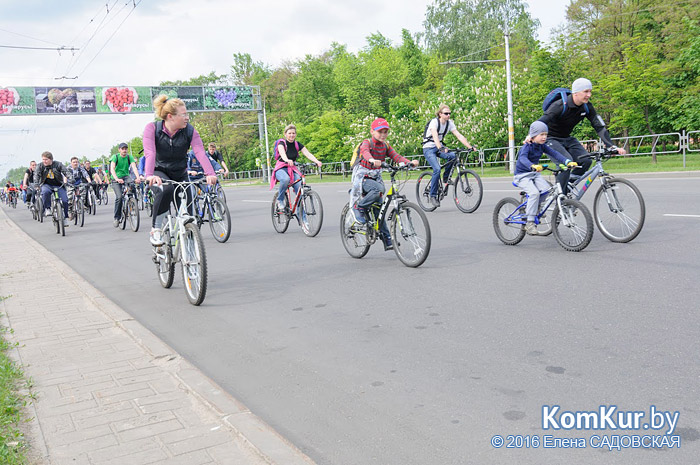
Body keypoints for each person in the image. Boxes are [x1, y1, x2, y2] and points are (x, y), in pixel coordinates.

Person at [143, 95, 217, 246]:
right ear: (170, 117)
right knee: (166, 190)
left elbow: (200, 153)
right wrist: (149, 175)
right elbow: (149, 153)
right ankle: (156, 229)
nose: (187, 118)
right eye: (184, 115)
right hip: (159, 172)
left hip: (180, 173)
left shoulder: (189, 131)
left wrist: (210, 173)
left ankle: (189, 249)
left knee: (188, 213)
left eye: (187, 114)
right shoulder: (152, 129)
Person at [534, 78, 627, 192]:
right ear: (576, 93)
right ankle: (561, 197)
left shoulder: (587, 106)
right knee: (566, 161)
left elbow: (599, 126)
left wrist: (611, 146)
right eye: (586, 91)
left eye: (590, 91)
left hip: (567, 138)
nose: (589, 95)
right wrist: (531, 136)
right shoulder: (559, 105)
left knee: (586, 161)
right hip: (550, 139)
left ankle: (566, 187)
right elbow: (541, 121)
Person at [350, 117, 419, 250]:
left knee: (380, 208)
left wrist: (409, 162)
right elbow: (365, 152)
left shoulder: (385, 145)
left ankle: (387, 239)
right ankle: (360, 206)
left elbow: (396, 156)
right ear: (372, 131)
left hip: (375, 176)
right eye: (380, 131)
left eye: (385, 132)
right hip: (362, 176)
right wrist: (371, 159)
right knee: (378, 189)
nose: (383, 134)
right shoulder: (367, 143)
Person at [515, 121, 577, 235]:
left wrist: (567, 161)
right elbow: (523, 158)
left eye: (546, 134)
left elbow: (555, 154)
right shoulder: (527, 146)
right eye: (541, 134)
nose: (544, 137)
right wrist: (532, 165)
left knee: (546, 191)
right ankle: (529, 223)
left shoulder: (542, 146)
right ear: (533, 135)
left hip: (534, 174)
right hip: (522, 175)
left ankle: (535, 209)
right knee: (534, 193)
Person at [422, 104, 475, 207]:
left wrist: (469, 146)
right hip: (429, 148)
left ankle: (445, 178)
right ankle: (433, 195)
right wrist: (440, 147)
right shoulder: (434, 122)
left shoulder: (449, 123)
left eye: (449, 113)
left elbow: (459, 135)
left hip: (439, 147)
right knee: (437, 169)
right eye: (446, 113)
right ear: (440, 114)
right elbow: (435, 136)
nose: (448, 115)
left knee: (453, 156)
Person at [269, 124, 322, 212]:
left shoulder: (297, 144)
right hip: (281, 168)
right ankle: (280, 200)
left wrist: (317, 161)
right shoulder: (281, 143)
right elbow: (282, 153)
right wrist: (286, 159)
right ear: (285, 134)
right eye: (289, 133)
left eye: (293, 133)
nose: (291, 135)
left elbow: (307, 154)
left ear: (295, 134)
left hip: (292, 169)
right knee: (285, 179)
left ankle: (301, 217)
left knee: (300, 188)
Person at [34, 151, 72, 227]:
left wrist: (70, 178)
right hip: (46, 184)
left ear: (51, 159)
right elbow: (36, 175)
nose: (44, 161)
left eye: (46, 159)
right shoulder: (40, 166)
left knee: (65, 200)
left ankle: (65, 218)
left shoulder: (58, 164)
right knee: (45, 192)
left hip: (58, 185)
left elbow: (66, 172)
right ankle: (47, 208)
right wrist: (36, 183)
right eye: (43, 159)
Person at [110, 143, 141, 227]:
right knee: (119, 197)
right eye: (123, 149)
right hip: (116, 178)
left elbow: (134, 168)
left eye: (126, 149)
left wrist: (138, 178)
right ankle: (117, 218)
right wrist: (116, 178)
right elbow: (112, 169)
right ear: (119, 150)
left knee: (132, 185)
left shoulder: (129, 157)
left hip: (126, 176)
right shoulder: (115, 157)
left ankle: (133, 203)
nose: (124, 150)